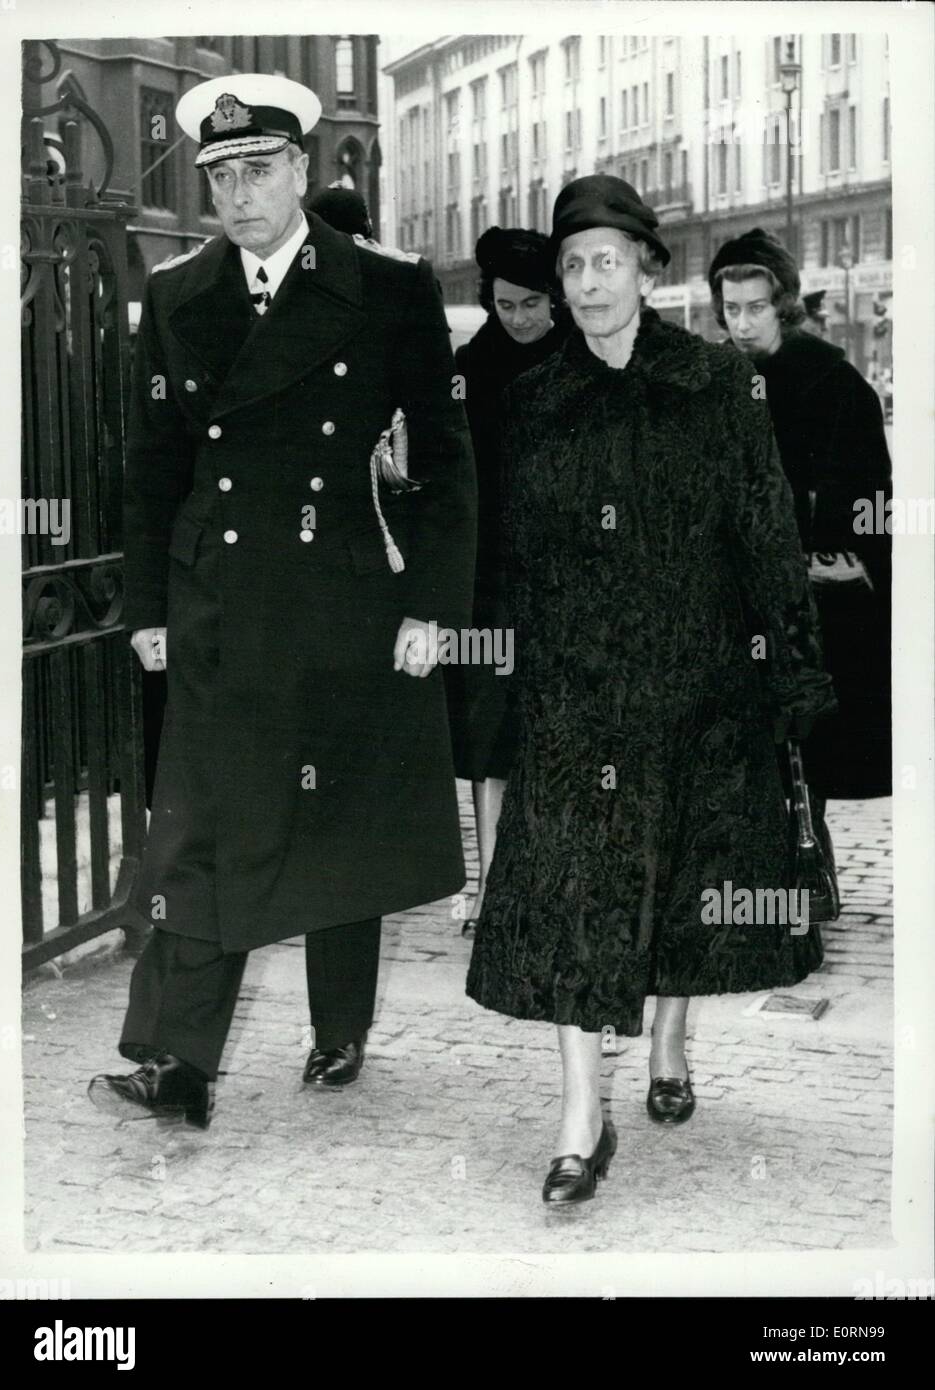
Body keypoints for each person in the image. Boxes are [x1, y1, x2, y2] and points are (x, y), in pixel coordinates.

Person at [88, 74, 476, 1127]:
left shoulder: (389, 289)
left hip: (345, 590)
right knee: (199, 832)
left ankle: (338, 1026)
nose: (241, 195)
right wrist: (149, 608)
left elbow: (445, 460)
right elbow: (153, 465)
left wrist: (430, 607)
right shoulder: (177, 295)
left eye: (260, 169)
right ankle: (177, 1061)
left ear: (303, 169)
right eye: (221, 177)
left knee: (337, 819)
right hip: (220, 602)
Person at [465, 176, 836, 1205]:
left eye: (607, 262)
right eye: (573, 265)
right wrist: (499, 664)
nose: (588, 283)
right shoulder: (534, 402)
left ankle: (669, 1034)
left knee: (679, 875)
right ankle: (582, 1114)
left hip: (698, 680)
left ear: (646, 270)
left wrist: (793, 667)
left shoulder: (718, 386)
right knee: (573, 895)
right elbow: (510, 554)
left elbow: (765, 529)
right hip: (574, 692)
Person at [709, 229, 892, 805]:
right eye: (731, 310)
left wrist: (842, 561)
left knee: (806, 766)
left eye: (756, 309)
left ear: (784, 306)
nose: (742, 324)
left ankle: (809, 879)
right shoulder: (709, 385)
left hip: (813, 606)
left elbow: (870, 502)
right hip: (725, 600)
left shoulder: (837, 387)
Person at [448, 227, 569, 935]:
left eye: (530, 304)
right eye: (504, 305)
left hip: (564, 579)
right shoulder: (471, 367)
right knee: (489, 737)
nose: (519, 318)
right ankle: (493, 886)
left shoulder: (579, 357)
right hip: (488, 580)